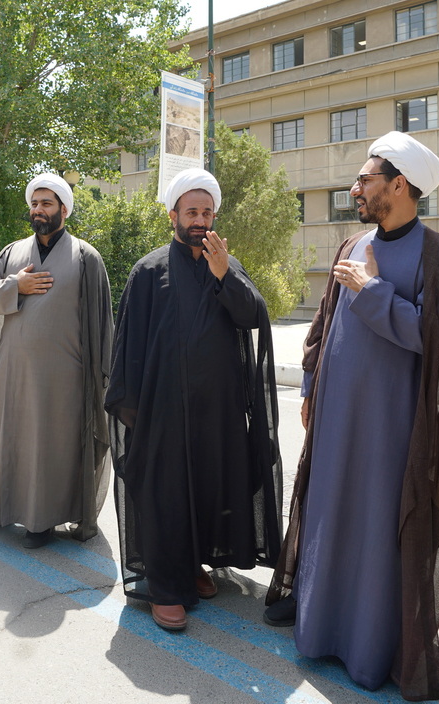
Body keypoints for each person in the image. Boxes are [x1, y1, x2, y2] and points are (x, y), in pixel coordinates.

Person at [263, 132, 439, 701]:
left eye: (365, 179)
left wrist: (372, 290)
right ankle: (318, 629)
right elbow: (323, 325)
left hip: (393, 430)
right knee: (329, 514)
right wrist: (310, 386)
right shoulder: (352, 243)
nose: (354, 189)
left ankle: (368, 649)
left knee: (376, 530)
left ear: (399, 185)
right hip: (335, 419)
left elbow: (438, 342)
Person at [105, 168, 282, 631]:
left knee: (207, 489)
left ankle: (196, 563)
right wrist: (136, 413)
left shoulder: (226, 262)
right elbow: (129, 346)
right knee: (166, 495)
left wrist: (225, 277)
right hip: (164, 411)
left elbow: (254, 317)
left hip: (217, 412)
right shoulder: (148, 270)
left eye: (206, 212)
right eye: (191, 212)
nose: (200, 220)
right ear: (173, 216)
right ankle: (167, 586)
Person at [0, 174, 113, 548]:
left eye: (46, 203)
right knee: (7, 441)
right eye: (34, 203)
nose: (38, 210)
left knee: (47, 448)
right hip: (11, 373)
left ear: (64, 209)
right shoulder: (12, 253)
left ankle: (40, 521)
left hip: (62, 378)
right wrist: (17, 285)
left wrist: (102, 379)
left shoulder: (86, 257)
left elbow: (101, 324)